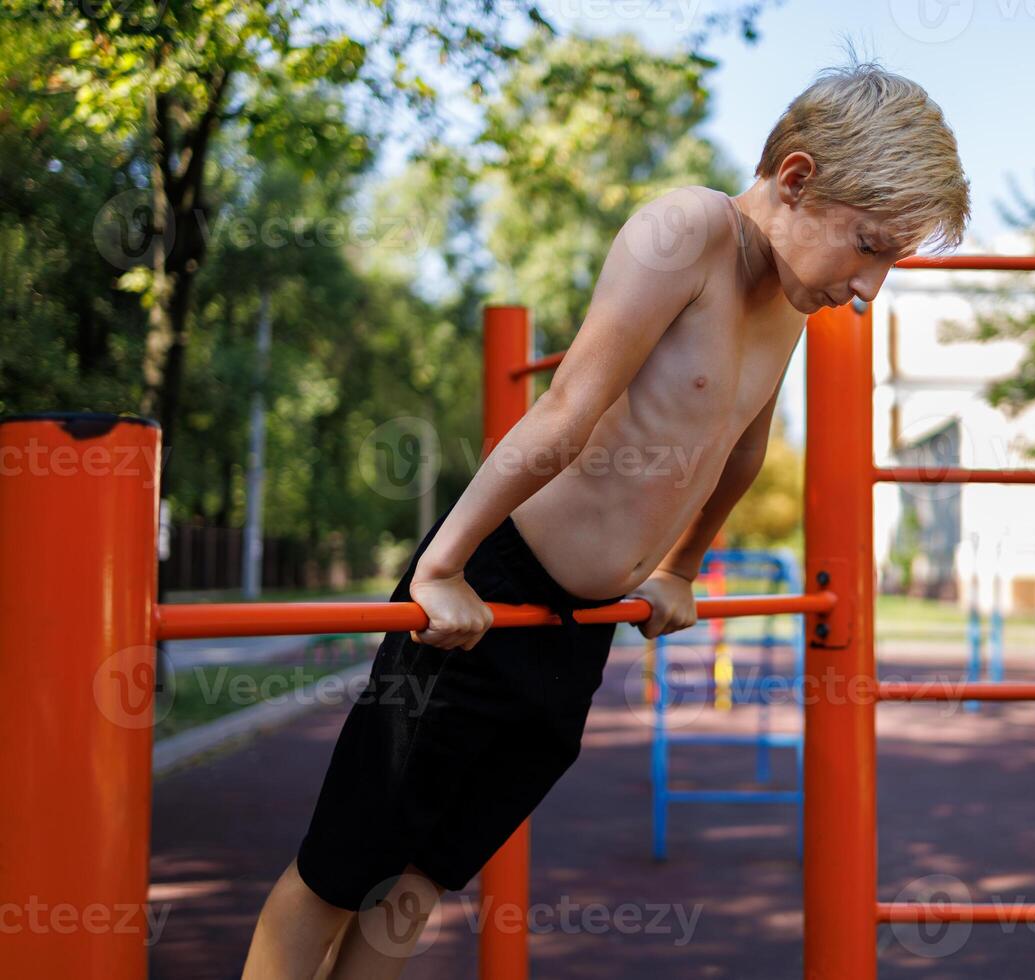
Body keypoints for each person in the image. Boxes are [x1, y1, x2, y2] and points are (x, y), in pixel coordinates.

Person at [242, 57, 968, 978]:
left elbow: (740, 448)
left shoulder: (789, 300)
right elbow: (567, 409)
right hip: (493, 586)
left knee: (420, 879)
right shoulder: (685, 231)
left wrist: (679, 567)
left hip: (577, 631)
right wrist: (442, 571)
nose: (869, 290)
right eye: (871, 247)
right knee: (341, 870)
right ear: (796, 179)